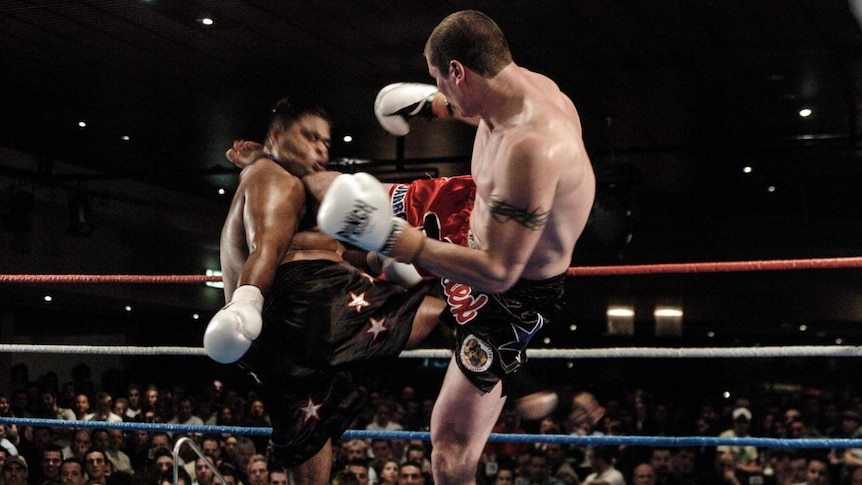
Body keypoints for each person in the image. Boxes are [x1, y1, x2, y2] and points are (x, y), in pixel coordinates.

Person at [308, 9, 595, 484]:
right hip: (479, 212)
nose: (440, 89)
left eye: (440, 79)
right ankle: (278, 165)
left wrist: (395, 241)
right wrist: (430, 105)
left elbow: (499, 271)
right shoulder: (521, 87)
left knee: (450, 449)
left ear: (458, 70)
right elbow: (475, 107)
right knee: (356, 191)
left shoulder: (531, 146)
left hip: (507, 290)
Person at [202, 97, 449, 485]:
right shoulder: (272, 176)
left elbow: (324, 247)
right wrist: (246, 301)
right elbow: (266, 246)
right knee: (450, 314)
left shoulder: (287, 182)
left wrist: (373, 262)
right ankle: (520, 384)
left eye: (326, 143)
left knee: (307, 439)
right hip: (303, 303)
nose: (321, 149)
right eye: (310, 137)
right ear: (278, 135)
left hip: (276, 337)